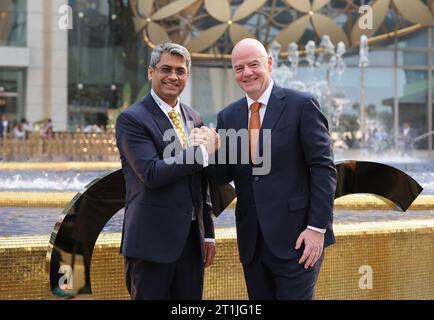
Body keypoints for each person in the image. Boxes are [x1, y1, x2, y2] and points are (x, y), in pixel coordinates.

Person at [201, 38, 337, 299]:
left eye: (254, 64)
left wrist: (317, 229)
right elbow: (221, 177)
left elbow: (323, 168)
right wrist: (210, 151)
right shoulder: (228, 116)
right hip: (253, 243)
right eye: (239, 68)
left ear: (269, 64)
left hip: (299, 239)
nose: (247, 73)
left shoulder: (301, 105)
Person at [115, 42, 220, 300]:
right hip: (151, 245)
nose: (173, 76)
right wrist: (204, 153)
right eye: (166, 69)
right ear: (151, 72)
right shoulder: (132, 119)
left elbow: (200, 181)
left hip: (191, 245)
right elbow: (151, 173)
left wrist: (207, 234)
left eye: (180, 71)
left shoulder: (193, 117)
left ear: (187, 76)